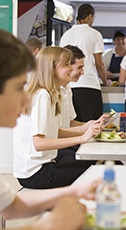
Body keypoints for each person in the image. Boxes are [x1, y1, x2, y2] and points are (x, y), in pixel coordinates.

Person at [0, 28, 101, 230]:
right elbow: (40, 142)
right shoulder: (42, 95)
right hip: (37, 170)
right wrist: (51, 224)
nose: (26, 98)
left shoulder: (55, 93)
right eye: (20, 87)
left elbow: (11, 207)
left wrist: (74, 193)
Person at [13, 46, 102, 189]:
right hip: (35, 173)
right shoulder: (42, 95)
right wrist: (81, 138)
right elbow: (39, 143)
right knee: (98, 170)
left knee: (97, 164)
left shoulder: (51, 93)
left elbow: (54, 131)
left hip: (43, 167)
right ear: (52, 69)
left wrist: (87, 131)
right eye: (67, 64)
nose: (72, 69)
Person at [59, 3, 107, 122]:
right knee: (92, 125)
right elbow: (99, 64)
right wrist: (105, 81)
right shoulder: (94, 34)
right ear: (90, 16)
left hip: (69, 86)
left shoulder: (65, 35)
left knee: (72, 124)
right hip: (89, 85)